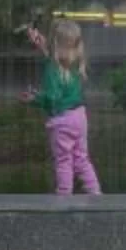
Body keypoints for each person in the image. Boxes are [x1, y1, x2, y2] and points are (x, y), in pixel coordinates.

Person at [25, 17, 101, 198]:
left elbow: (53, 99)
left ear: (55, 44)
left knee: (63, 160)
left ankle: (64, 197)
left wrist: (35, 99)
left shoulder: (53, 70)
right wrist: (40, 44)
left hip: (63, 120)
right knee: (82, 158)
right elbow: (53, 54)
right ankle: (96, 193)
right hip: (79, 117)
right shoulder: (76, 63)